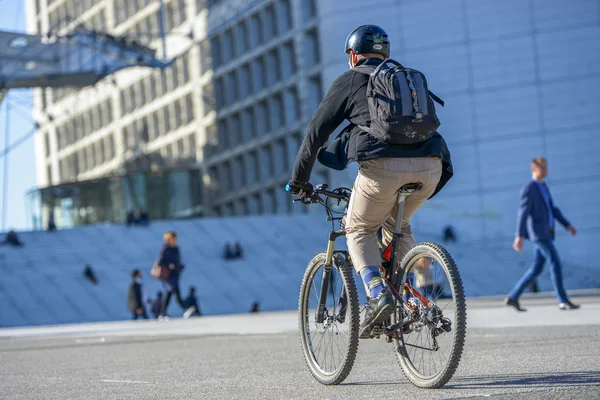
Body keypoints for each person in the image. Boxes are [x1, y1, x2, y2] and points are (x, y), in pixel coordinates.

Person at [286, 25, 453, 339]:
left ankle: (378, 294)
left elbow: (316, 133)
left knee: (359, 228)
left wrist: (299, 180)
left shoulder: (350, 80)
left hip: (384, 169)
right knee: (398, 227)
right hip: (433, 167)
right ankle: (424, 297)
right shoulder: (403, 79)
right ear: (384, 53)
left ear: (352, 56)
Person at [505, 157, 579, 311]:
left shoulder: (543, 187)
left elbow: (553, 209)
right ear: (534, 169)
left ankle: (513, 297)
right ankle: (562, 300)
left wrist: (568, 225)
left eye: (546, 167)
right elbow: (523, 212)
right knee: (555, 264)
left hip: (546, 233)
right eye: (542, 167)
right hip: (539, 235)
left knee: (536, 269)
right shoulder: (530, 188)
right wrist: (519, 235)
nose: (545, 170)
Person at [158, 231, 196, 320]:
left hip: (175, 274)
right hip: (168, 275)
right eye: (173, 239)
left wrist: (179, 266)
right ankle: (185, 309)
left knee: (169, 294)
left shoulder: (176, 249)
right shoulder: (166, 249)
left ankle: (162, 313)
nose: (175, 241)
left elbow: (177, 260)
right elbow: (161, 261)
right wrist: (170, 265)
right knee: (176, 292)